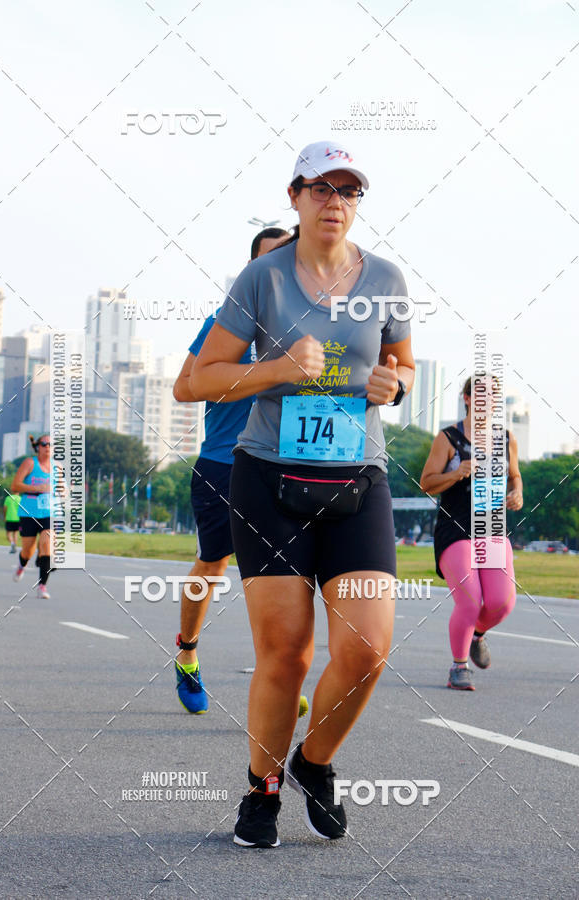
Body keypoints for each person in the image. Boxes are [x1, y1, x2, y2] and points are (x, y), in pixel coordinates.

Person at [190, 141, 415, 848]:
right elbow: (197, 380)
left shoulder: (385, 277)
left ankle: (312, 763)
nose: (334, 202)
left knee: (368, 649)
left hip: (358, 476)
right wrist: (276, 368)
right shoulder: (261, 279)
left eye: (348, 191)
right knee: (286, 652)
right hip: (267, 477)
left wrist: (397, 385)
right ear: (295, 196)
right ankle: (261, 790)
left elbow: (401, 363)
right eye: (320, 188)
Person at [172, 227, 290, 714]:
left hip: (283, 470)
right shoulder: (223, 325)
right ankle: (187, 652)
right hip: (224, 465)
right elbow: (184, 388)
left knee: (279, 579)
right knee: (214, 566)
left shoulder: (309, 331)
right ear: (250, 272)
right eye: (268, 263)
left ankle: (278, 679)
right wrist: (258, 373)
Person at [419, 376, 523, 690]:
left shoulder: (506, 438)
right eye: (481, 393)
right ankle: (459, 666)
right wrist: (456, 473)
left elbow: (515, 475)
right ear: (466, 398)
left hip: (492, 528)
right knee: (470, 599)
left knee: (501, 602)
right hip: (456, 529)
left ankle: (476, 634)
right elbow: (427, 483)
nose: (488, 399)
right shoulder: (448, 438)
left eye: (494, 394)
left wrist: (517, 492)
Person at [10, 434, 54, 599]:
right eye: (44, 444)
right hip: (29, 513)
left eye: (51, 444)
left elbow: (64, 488)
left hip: (49, 512)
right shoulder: (30, 463)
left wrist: (65, 491)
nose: (47, 447)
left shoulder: (57, 467)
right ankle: (22, 564)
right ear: (38, 447)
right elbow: (15, 486)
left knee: (47, 546)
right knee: (28, 551)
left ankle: (42, 586)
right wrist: (38, 488)